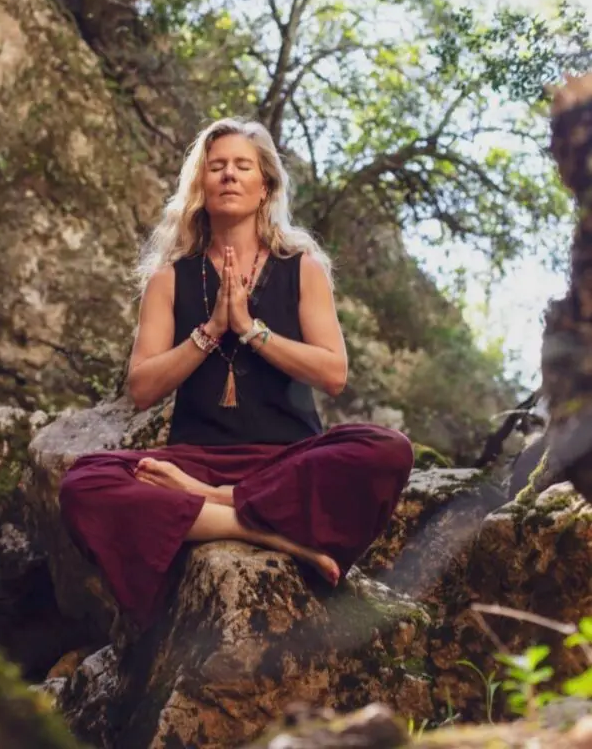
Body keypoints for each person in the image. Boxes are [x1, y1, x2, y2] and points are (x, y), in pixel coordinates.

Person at [60, 119, 414, 629]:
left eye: (242, 166)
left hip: (286, 460)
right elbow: (142, 388)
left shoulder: (303, 269)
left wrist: (251, 330)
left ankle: (215, 506)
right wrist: (210, 331)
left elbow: (333, 373)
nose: (228, 175)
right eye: (216, 166)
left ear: (265, 186)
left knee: (388, 448)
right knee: (84, 482)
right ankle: (266, 530)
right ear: (200, 186)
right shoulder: (169, 279)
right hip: (193, 459)